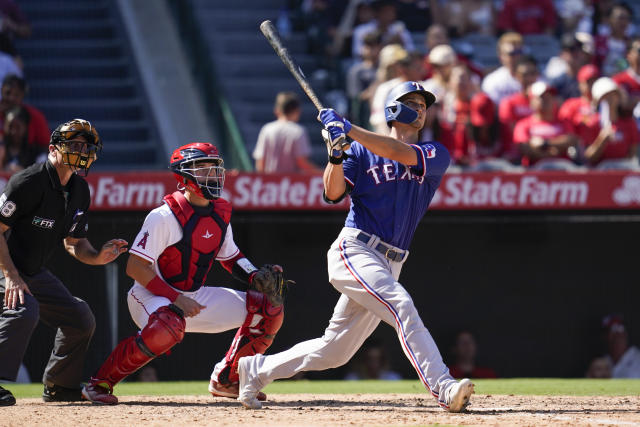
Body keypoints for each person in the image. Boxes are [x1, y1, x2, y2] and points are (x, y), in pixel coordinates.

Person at [236, 81, 474, 413]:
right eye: (412, 102)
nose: (420, 108)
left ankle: (256, 370)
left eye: (424, 104)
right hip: (357, 250)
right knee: (401, 304)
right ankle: (444, 387)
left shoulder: (435, 153)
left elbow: (398, 153)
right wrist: (336, 154)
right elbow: (332, 193)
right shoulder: (360, 152)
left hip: (392, 261)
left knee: (334, 351)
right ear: (393, 109)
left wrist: (349, 128)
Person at [81, 142, 291, 405]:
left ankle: (227, 380)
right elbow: (134, 267)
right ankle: (98, 384)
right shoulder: (163, 216)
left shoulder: (220, 213)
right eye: (203, 169)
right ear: (184, 176)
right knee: (167, 326)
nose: (212, 175)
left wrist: (255, 275)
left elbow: (231, 257)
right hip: (149, 295)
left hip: (193, 296)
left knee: (269, 309)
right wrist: (176, 299)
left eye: (214, 168)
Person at [0, 119, 128, 407]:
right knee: (24, 309)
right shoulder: (27, 182)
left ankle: (59, 385)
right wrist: (10, 274)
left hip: (32, 271)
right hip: (5, 266)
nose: (81, 151)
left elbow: (75, 243)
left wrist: (98, 256)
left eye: (86, 146)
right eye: (73, 145)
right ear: (52, 149)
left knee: (80, 317)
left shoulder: (80, 191)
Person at [513, 81, 580, 168]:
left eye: (550, 96)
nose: (547, 100)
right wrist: (550, 154)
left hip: (564, 173)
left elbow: (571, 140)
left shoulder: (564, 122)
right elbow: (525, 148)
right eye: (542, 98)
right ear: (531, 102)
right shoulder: (523, 124)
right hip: (535, 172)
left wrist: (545, 143)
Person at [252, 92, 320, 173]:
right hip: (291, 183)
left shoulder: (266, 129)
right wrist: (321, 174)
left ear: (277, 110)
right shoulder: (298, 131)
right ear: (297, 111)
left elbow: (260, 162)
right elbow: (301, 162)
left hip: (270, 183)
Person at [584, 77, 639, 168]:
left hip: (623, 172)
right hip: (600, 174)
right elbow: (589, 157)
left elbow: (632, 154)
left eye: (613, 94)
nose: (610, 99)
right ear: (598, 101)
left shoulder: (629, 123)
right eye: (605, 96)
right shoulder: (592, 124)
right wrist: (601, 141)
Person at [0, 74, 50, 147]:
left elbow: (46, 145)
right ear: (2, 91)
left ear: (23, 95)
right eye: (8, 93)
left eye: (16, 95)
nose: (11, 98)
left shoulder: (35, 116)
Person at [481, 32, 525, 105]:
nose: (517, 57)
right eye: (512, 53)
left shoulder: (534, 78)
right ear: (501, 56)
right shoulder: (492, 81)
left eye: (519, 52)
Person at [0, 106, 46, 174]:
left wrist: (22, 173)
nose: (13, 131)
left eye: (18, 127)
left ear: (25, 128)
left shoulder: (36, 153)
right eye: (10, 127)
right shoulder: (1, 150)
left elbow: (42, 176)